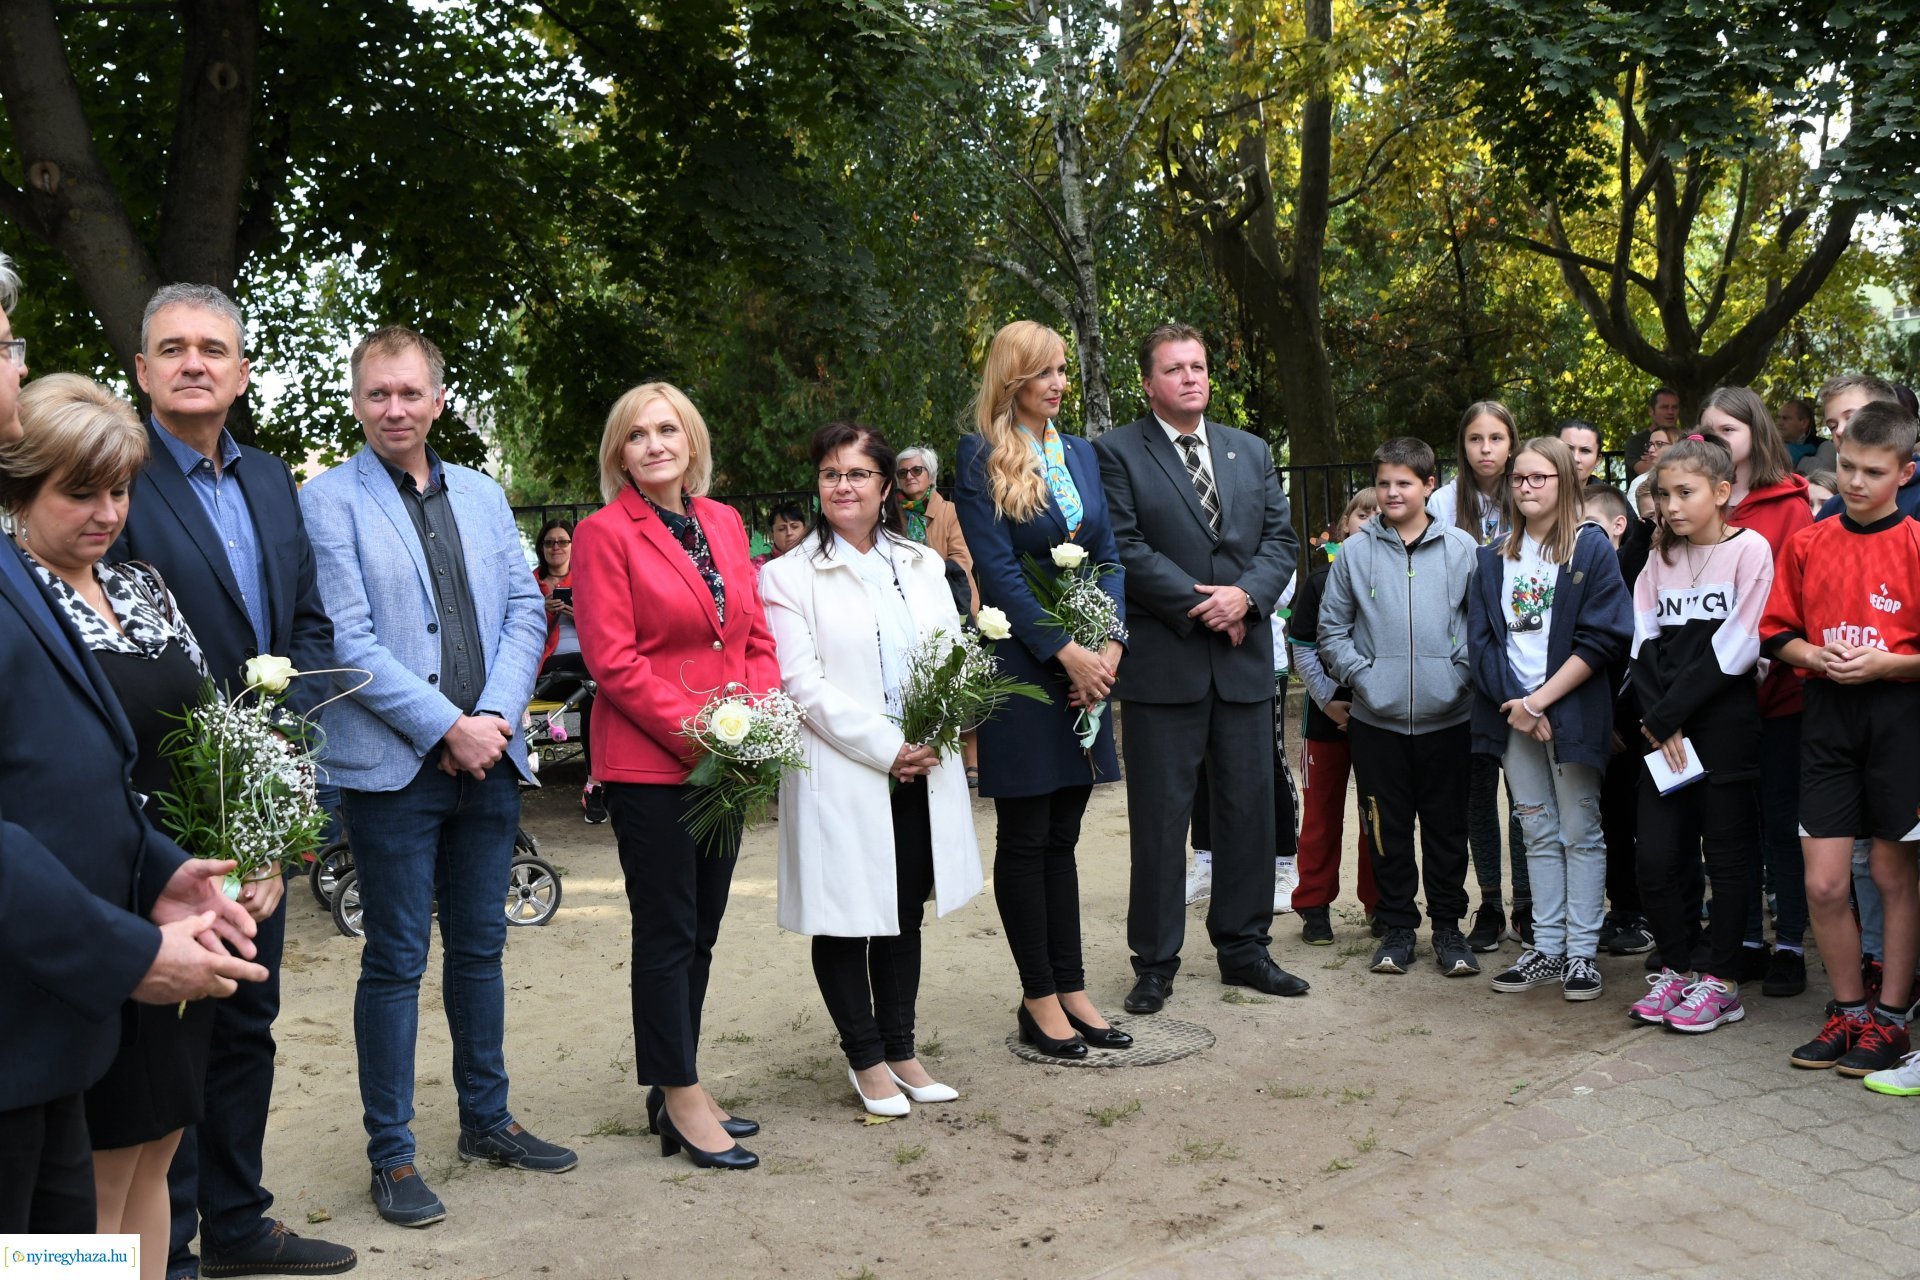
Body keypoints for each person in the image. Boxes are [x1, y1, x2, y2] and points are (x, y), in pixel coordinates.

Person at [0, 374, 272, 1275]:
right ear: (19, 489)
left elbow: (206, 729)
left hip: (166, 899)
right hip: (75, 929)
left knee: (160, 1152)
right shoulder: (24, 595)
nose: (108, 513)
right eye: (81, 491)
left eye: (120, 490)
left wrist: (250, 841)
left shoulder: (143, 586)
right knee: (84, 1209)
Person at [109, 284, 352, 1279]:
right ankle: (163, 1251)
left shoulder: (269, 483)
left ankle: (237, 1225)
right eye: (172, 348)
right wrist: (206, 819)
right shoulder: (113, 482)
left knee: (247, 1018)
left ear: (243, 371)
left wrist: (275, 793)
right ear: (141, 371)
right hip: (160, 814)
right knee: (165, 1046)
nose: (194, 362)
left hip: (261, 799)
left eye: (214, 347)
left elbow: (306, 632)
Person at [302, 326, 570, 1225]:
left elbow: (528, 610)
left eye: (410, 393)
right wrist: (446, 727)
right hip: (392, 767)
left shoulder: (488, 497)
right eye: (378, 394)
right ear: (357, 401)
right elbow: (349, 640)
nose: (394, 409)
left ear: (438, 400)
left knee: (483, 949)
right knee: (395, 960)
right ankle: (394, 1155)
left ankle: (488, 1121)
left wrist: (491, 720)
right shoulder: (329, 502)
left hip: (488, 756)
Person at [572, 380, 778, 1168]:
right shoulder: (602, 534)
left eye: (667, 430)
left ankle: (676, 1083)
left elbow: (753, 634)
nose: (654, 444)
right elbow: (614, 663)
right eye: (637, 435)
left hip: (729, 756)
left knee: (704, 928)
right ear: (619, 453)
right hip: (652, 763)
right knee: (666, 930)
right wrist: (706, 739)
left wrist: (754, 722)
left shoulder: (724, 522)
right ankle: (681, 1095)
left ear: (691, 441)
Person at [761, 422, 983, 1116]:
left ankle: (902, 1048)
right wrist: (888, 747)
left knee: (903, 910)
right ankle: (866, 1059)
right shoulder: (787, 576)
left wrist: (938, 731)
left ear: (887, 485)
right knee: (846, 915)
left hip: (923, 764)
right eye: (831, 474)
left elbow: (953, 652)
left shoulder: (917, 561)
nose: (844, 486)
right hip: (846, 769)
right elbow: (803, 684)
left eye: (858, 474)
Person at [1096, 322, 1307, 1011]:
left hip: (1242, 660)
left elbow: (1281, 540)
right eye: (1175, 368)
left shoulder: (1249, 451)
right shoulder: (1116, 453)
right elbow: (1122, 546)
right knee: (1162, 820)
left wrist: (1246, 597)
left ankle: (1245, 949)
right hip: (1167, 665)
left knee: (1248, 812)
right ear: (1149, 382)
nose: (1191, 377)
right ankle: (1155, 963)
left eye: (1199, 366)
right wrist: (1203, 604)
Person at [952, 321, 1131, 1056]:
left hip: (1090, 669)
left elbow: (1110, 558)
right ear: (1013, 379)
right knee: (1026, 839)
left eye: (1063, 371)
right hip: (1024, 671)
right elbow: (994, 572)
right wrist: (1065, 653)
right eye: (1045, 372)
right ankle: (1038, 998)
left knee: (1065, 834)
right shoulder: (978, 456)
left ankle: (1073, 987)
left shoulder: (1082, 454)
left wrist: (1109, 648)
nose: (1059, 384)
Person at [1760, 400, 1920, 1084]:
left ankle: (1890, 1019)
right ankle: (1848, 1011)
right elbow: (1775, 634)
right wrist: (1813, 657)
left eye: (1873, 472)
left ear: (1905, 473)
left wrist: (1890, 664)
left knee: (1890, 876)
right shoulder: (1808, 542)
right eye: (1847, 466)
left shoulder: (1916, 542)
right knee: (1825, 883)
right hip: (1824, 721)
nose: (1855, 482)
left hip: (1899, 722)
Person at [1468, 437, 1632, 1001]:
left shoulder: (1589, 549)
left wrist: (1543, 703)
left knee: (1581, 831)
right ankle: (1547, 945)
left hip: (1573, 714)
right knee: (1536, 830)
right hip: (1512, 717)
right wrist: (1519, 705)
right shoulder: (1493, 556)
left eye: (1541, 478)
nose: (1527, 488)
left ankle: (1582, 953)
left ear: (1566, 483)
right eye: (1519, 479)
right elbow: (1483, 643)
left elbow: (1605, 636)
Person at [1621, 435, 1775, 1032]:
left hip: (1722, 725)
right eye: (1663, 494)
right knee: (1657, 857)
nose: (1672, 506)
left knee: (1728, 856)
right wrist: (1661, 719)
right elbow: (1642, 643)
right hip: (1664, 731)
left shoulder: (1751, 549)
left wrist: (1668, 714)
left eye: (1685, 493)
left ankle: (1722, 979)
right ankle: (1679, 969)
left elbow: (1738, 645)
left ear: (1721, 492)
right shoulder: (1659, 557)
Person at [1317, 437, 1479, 978]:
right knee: (1385, 827)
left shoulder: (1461, 549)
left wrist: (1458, 676)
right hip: (1376, 722)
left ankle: (1451, 928)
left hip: (1448, 718)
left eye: (1404, 483)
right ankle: (1397, 929)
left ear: (1429, 486)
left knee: (1446, 827)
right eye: (1384, 482)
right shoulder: (1355, 553)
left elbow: (1480, 630)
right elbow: (1331, 630)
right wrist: (1364, 678)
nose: (1391, 492)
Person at [1699, 387, 1813, 995]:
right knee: (1729, 825)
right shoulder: (1693, 501)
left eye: (1729, 431)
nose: (1717, 442)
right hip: (1715, 697)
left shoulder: (1790, 506)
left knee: (1781, 825)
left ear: (1755, 435)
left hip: (1780, 692)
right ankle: (1742, 938)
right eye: (1708, 432)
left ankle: (1790, 942)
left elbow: (1796, 593)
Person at [1427, 401, 1529, 952]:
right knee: (1475, 794)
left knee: (1525, 795)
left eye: (1496, 438)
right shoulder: (1444, 502)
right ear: (1462, 447)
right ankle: (1488, 904)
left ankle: (1528, 904)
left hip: (1521, 667)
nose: (1486, 449)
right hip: (1466, 668)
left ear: (1512, 443)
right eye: (1475, 439)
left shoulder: (1532, 491)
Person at [1288, 489, 1380, 945]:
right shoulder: (1319, 582)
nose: (1370, 520)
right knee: (1321, 815)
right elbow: (1302, 646)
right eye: (1362, 513)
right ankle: (1314, 905)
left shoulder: (1395, 579)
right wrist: (1327, 700)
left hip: (1380, 716)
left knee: (1378, 816)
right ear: (1345, 524)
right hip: (1325, 719)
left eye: (1379, 515)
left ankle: (1380, 904)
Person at [1580, 486, 1655, 958]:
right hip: (1604, 719)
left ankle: (1653, 911)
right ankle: (1623, 907)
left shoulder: (1641, 565)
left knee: (1655, 820)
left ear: (1618, 525)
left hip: (1652, 716)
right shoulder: (1577, 573)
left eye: (1590, 522)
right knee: (1610, 818)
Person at [532, 518, 603, 825]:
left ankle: (594, 784)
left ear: (575, 547)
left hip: (587, 673)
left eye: (562, 541)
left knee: (594, 691)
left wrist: (582, 616)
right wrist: (543, 613)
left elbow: (609, 629)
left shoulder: (591, 580)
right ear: (541, 548)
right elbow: (517, 632)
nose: (556, 547)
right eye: (550, 542)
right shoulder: (530, 582)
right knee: (595, 675)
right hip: (548, 670)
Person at [895, 444, 979, 614]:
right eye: (902, 473)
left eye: (917, 470)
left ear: (931, 475)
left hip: (953, 600)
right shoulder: (891, 516)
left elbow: (962, 560)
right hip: (908, 604)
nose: (909, 476)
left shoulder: (952, 511)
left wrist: (923, 574)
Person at [1623, 426, 1672, 514]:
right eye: (1650, 444)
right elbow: (1636, 521)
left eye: (1660, 444)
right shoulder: (1638, 482)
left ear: (1676, 446)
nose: (1650, 450)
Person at [1558, 419, 1608, 489]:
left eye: (1585, 451)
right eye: (1568, 449)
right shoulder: (1538, 494)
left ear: (1597, 460)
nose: (1575, 458)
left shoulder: (1613, 499)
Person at [1779, 396, 1823, 474]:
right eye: (1779, 418)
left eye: (1785, 418)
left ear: (1804, 423)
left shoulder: (1823, 446)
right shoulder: (1771, 444)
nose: (1779, 423)